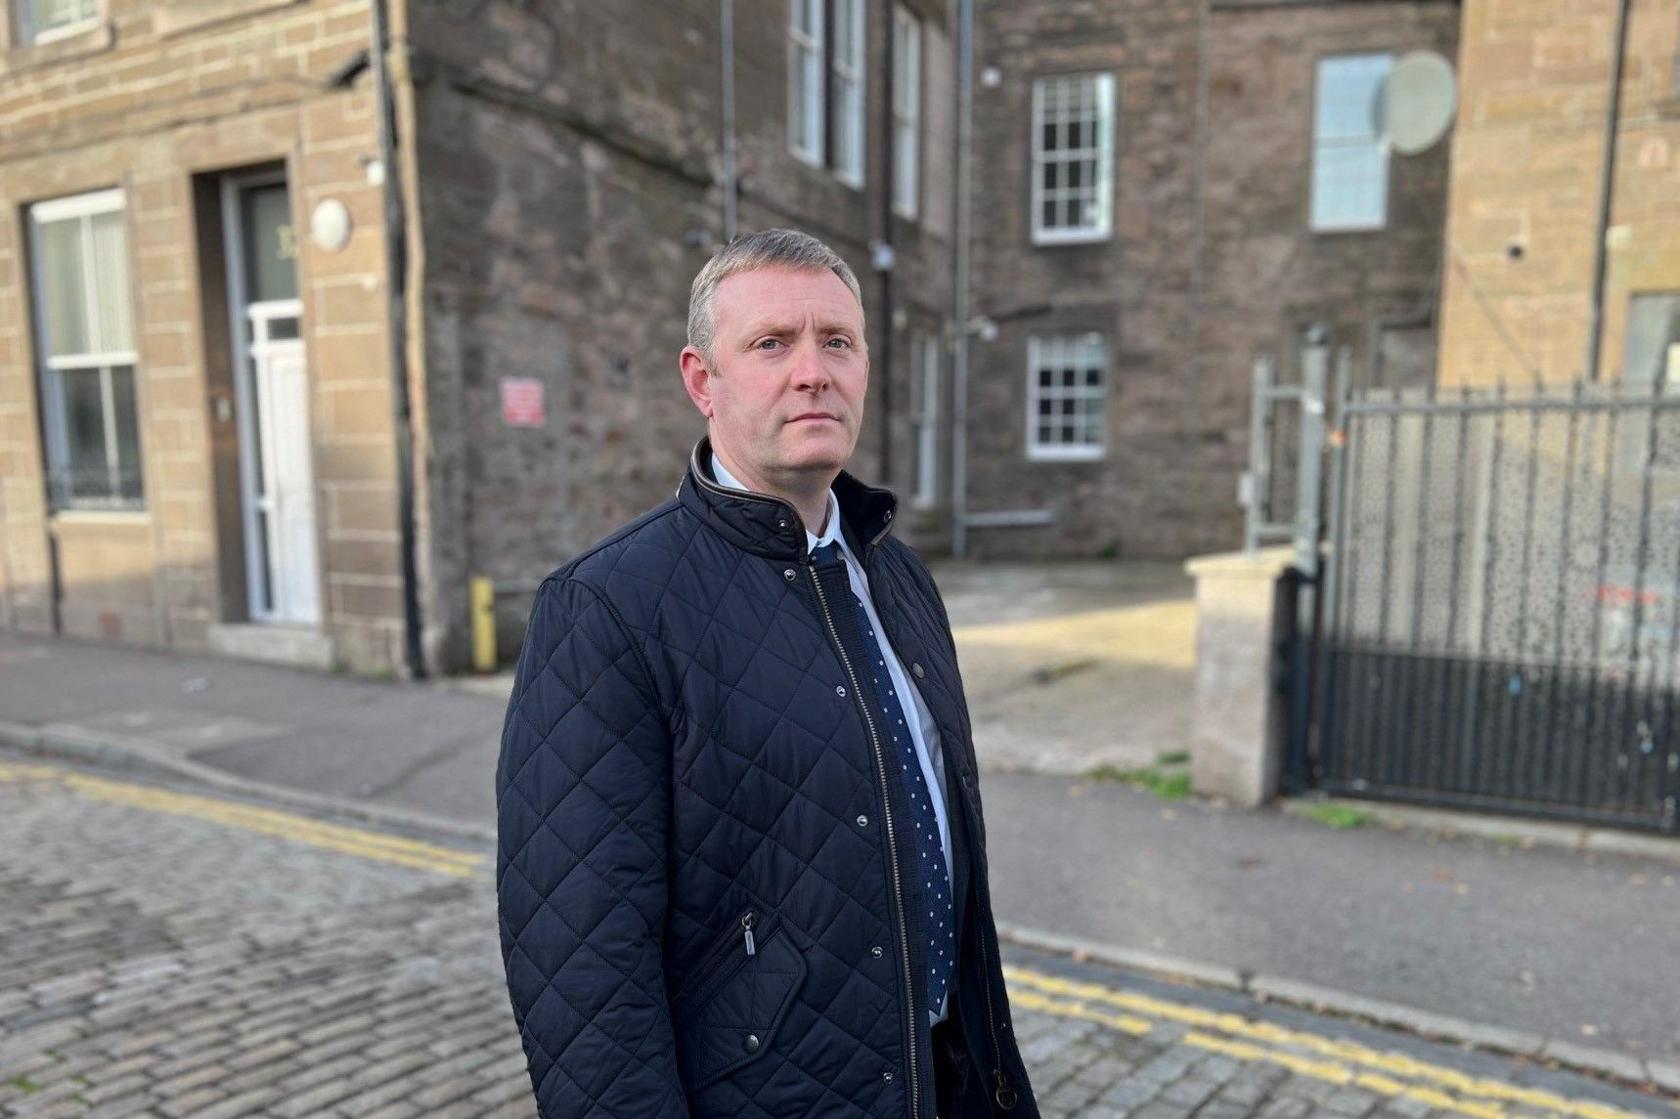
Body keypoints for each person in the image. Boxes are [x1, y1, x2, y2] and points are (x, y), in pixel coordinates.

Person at [496, 228, 1039, 1118]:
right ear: (703, 380)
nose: (813, 370)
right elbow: (581, 968)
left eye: (838, 340)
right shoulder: (607, 608)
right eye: (771, 343)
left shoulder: (898, 577)